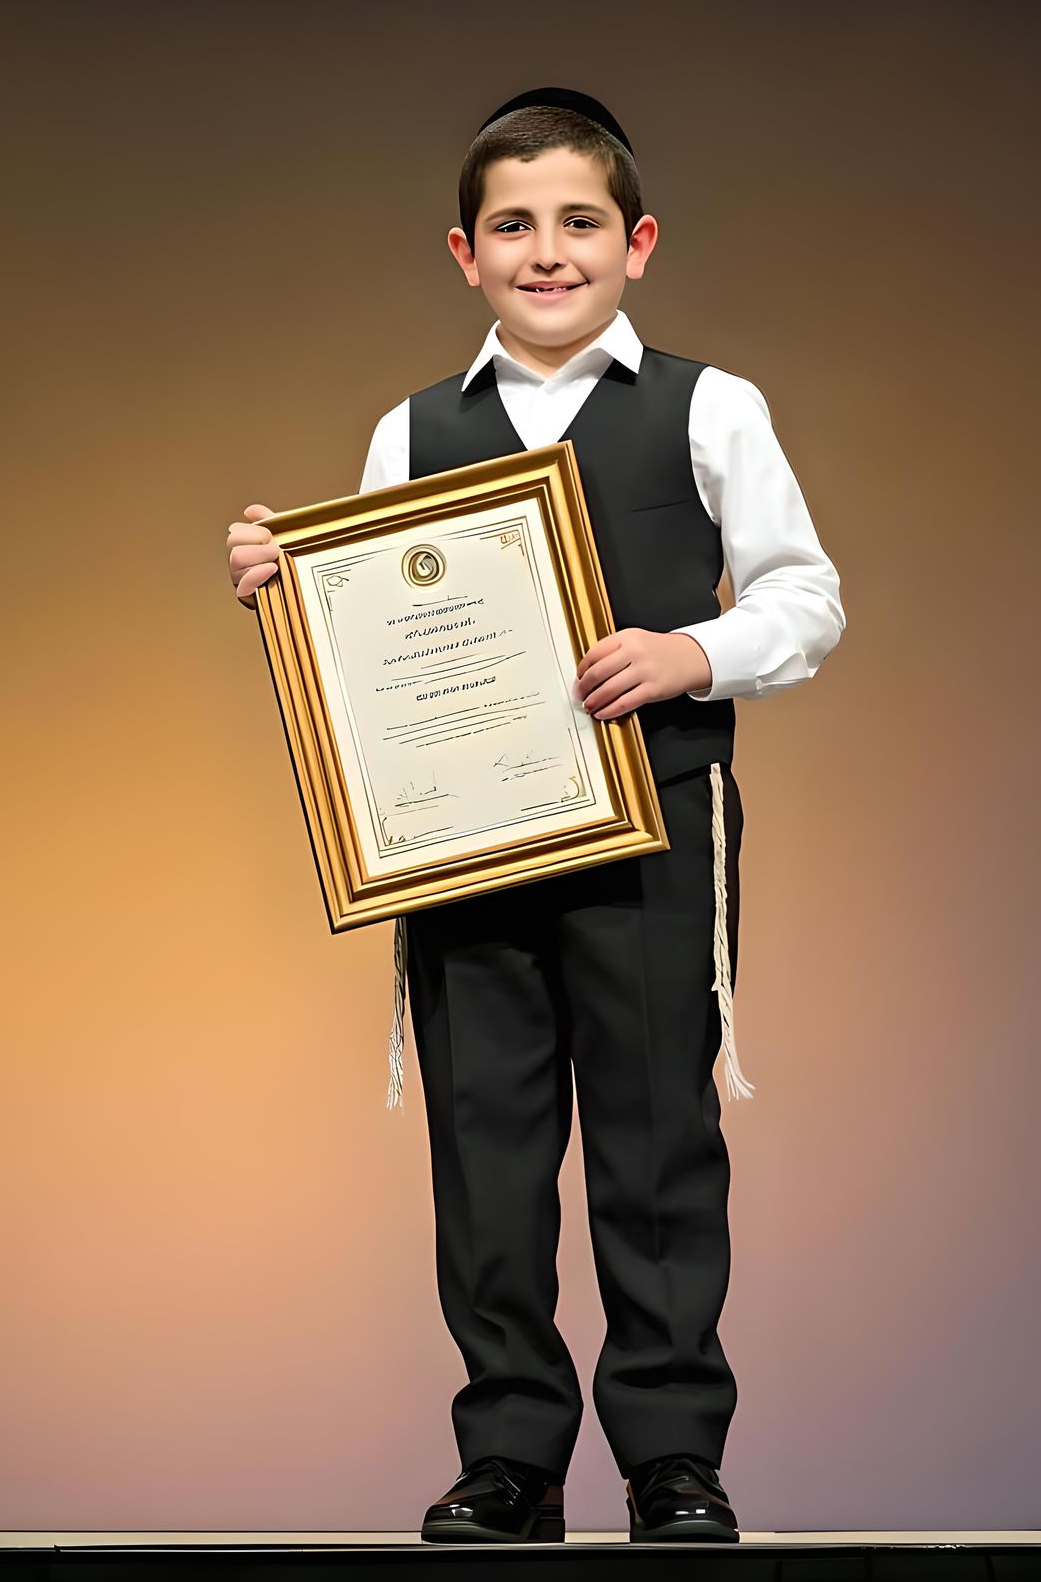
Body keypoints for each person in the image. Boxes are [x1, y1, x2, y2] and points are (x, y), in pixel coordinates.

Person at [226, 87, 845, 1544]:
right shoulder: (414, 428)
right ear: (466, 254)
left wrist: (691, 652)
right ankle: (509, 1458)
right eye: (513, 226)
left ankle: (673, 1460)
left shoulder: (710, 405)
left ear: (638, 242)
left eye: (579, 223)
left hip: (657, 822)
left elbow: (805, 597)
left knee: (655, 1138)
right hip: (469, 840)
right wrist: (289, 584)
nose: (547, 251)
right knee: (487, 1150)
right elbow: (370, 644)